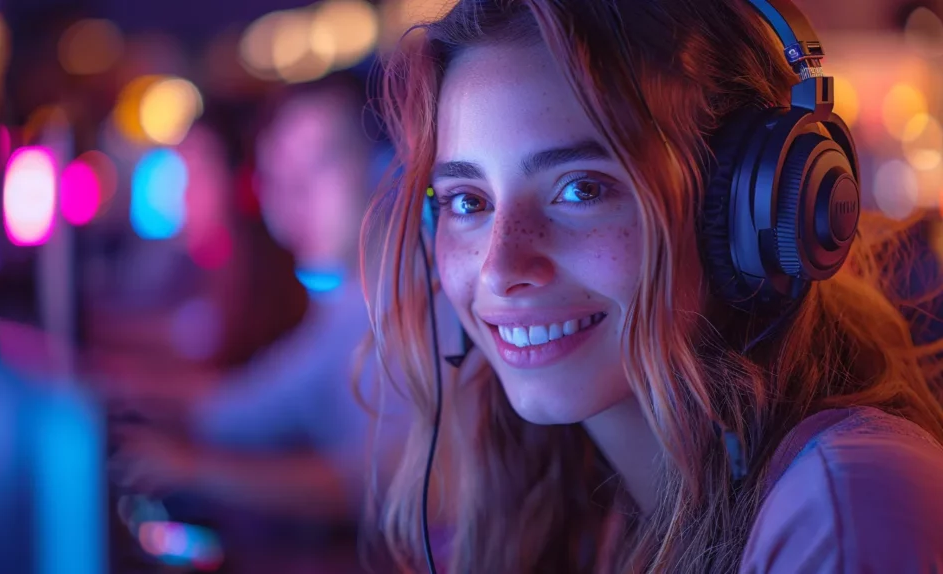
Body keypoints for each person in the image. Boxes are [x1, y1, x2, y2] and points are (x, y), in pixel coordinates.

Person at [359, 0, 943, 572]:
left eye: (581, 189)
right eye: (468, 201)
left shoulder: (849, 511)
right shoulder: (581, 502)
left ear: (754, 210)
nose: (499, 269)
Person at [110, 73, 407, 524]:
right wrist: (115, 391)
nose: (291, 197)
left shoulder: (422, 305)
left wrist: (189, 468)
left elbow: (382, 483)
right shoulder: (348, 304)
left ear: (387, 167)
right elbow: (243, 407)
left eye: (318, 164)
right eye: (280, 173)